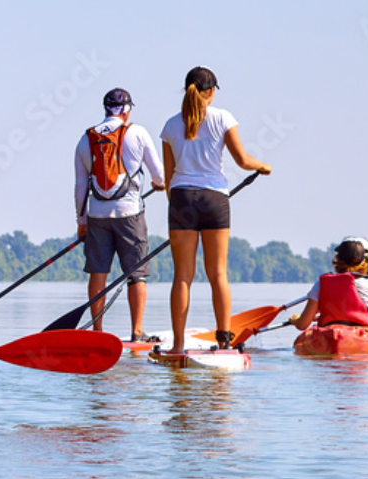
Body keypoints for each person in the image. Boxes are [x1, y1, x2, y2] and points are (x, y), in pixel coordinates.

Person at [160, 66, 271, 353]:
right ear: (210, 91)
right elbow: (243, 161)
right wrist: (263, 165)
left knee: (182, 275)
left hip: (182, 199)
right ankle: (224, 342)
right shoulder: (224, 117)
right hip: (214, 200)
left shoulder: (170, 126)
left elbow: (168, 177)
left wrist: (179, 207)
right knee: (218, 273)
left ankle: (178, 346)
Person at [75, 87, 166, 342]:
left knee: (98, 273)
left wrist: (82, 223)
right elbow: (159, 175)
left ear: (105, 109)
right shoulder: (137, 132)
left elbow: (81, 186)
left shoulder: (86, 139)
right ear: (127, 110)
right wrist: (159, 185)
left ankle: (97, 332)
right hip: (130, 214)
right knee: (136, 274)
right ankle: (137, 332)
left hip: (97, 215)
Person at [289, 237, 368, 330]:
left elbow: (302, 325)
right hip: (361, 335)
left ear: (337, 260)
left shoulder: (320, 284)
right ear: (364, 261)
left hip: (329, 334)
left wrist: (295, 320)